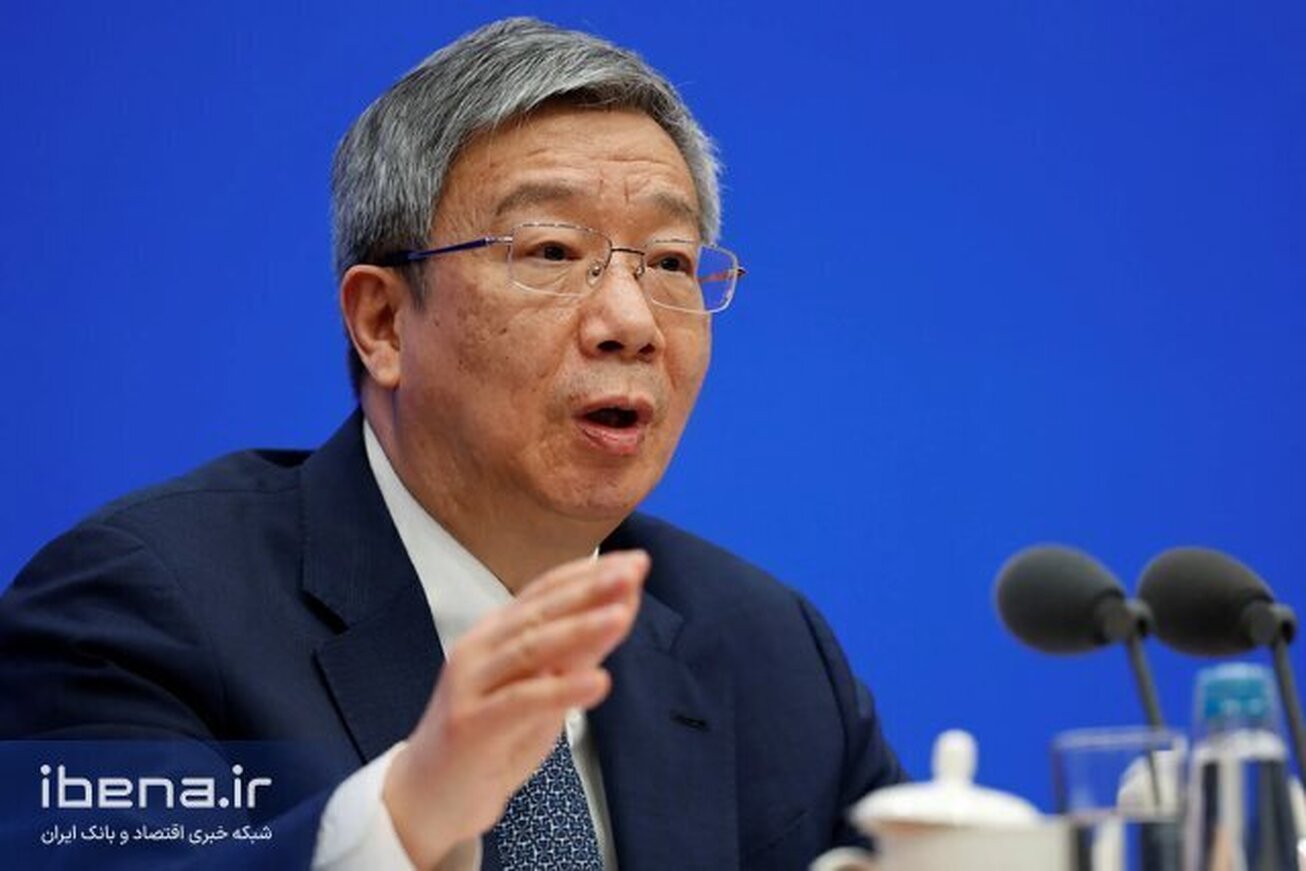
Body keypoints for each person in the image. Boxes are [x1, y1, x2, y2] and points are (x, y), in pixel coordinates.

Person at [0, 17, 904, 870]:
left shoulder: (765, 648)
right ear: (383, 322)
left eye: (669, 262)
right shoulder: (141, 611)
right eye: (552, 251)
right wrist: (401, 820)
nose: (632, 322)